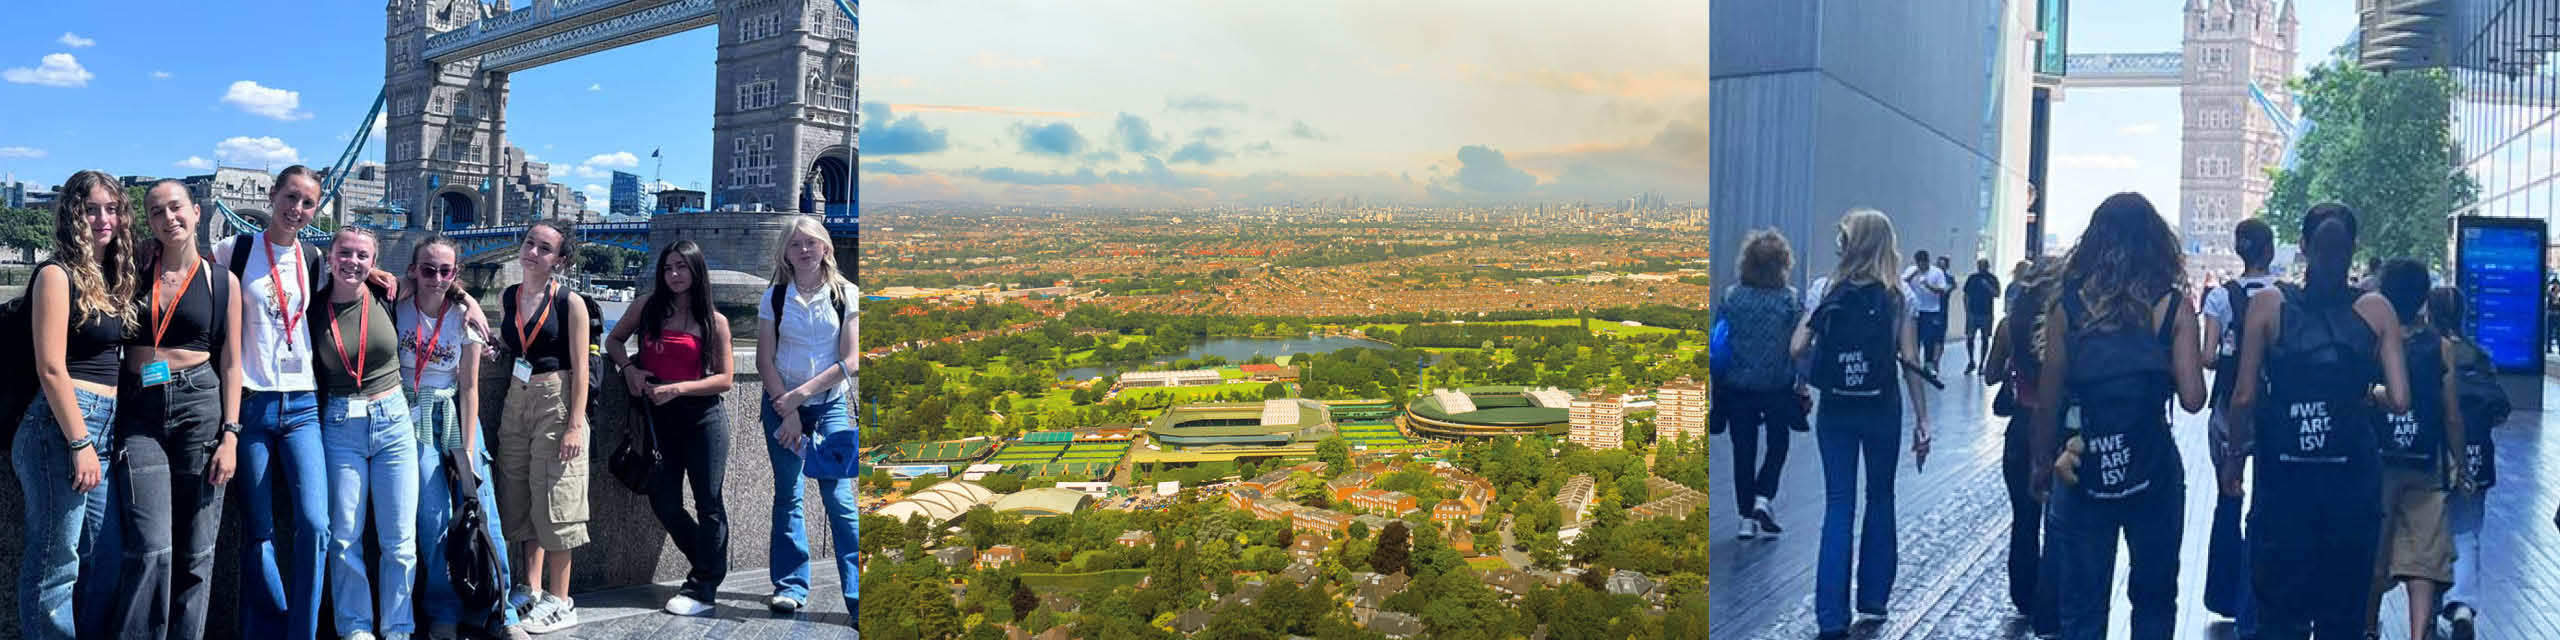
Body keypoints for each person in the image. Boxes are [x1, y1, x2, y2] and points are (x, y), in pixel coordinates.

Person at [2230, 203, 2411, 639]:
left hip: (2283, 482)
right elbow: (2402, 399)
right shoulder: (2376, 309)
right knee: (2343, 615)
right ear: (2354, 249)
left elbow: (2244, 397)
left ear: (2304, 246)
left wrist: (2235, 459)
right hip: (2351, 482)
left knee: (2278, 614)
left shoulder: (2268, 305)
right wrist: (2369, 394)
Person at [2032, 193, 2207, 640]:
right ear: (2156, 244)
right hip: (2153, 469)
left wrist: (2040, 465)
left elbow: (2047, 399)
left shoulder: (2067, 309)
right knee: (2153, 601)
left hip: (2083, 464)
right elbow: (2192, 398)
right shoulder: (2172, 306)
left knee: (2083, 606)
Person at [108, 181, 243, 640]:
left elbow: (231, 361)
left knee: (198, 550)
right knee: (149, 546)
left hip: (199, 405)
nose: (169, 218)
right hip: (140, 410)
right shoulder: (131, 271)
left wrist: (230, 434)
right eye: (157, 212)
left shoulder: (222, 281)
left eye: (176, 208)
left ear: (198, 212)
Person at [1792, 209, 1932, 639]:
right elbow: (1910, 361)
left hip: (1836, 408)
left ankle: (1831, 618)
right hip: (1881, 407)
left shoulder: (1824, 290)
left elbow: (1797, 346)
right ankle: (1873, 599)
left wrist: (1810, 374)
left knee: (1838, 505)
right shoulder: (1899, 295)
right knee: (1880, 497)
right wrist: (1923, 419)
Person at [14, 170, 135, 640]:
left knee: (106, 555)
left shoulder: (111, 275)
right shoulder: (55, 275)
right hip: (60, 428)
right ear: (72, 215)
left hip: (103, 429)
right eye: (91, 209)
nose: (103, 218)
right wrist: (79, 440)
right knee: (55, 562)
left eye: (112, 208)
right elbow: (50, 368)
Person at [398, 234, 532, 640]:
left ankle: (502, 611)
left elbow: (470, 388)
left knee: (482, 510)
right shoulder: (396, 305)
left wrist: (470, 453)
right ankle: (442, 610)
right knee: (431, 517)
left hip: (454, 417)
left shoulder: (464, 318)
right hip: (410, 416)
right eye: (427, 269)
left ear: (455, 273)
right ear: (413, 271)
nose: (436, 278)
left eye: (445, 271)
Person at [606, 241, 737, 617]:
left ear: (697, 272)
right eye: (668, 268)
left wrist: (677, 388)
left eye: (683, 267)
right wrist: (629, 370)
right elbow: (613, 341)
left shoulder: (715, 321)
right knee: (663, 501)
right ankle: (708, 562)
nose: (675, 275)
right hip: (657, 420)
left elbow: (726, 379)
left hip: (703, 419)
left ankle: (702, 586)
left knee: (709, 503)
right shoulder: (647, 308)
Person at [311, 226, 419, 640]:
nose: (352, 262)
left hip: (393, 421)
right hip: (340, 424)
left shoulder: (389, 294)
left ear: (375, 263)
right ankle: (355, 628)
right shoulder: (313, 308)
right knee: (343, 538)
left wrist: (468, 300)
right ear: (331, 255)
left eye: (362, 256)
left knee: (400, 540)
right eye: (345, 253)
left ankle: (398, 628)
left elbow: (440, 283)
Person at [756, 215, 861, 621]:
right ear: (785, 251)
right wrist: (788, 407)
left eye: (811, 243)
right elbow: (765, 359)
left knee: (839, 499)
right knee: (789, 496)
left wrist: (800, 397)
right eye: (795, 244)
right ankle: (790, 586)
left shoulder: (846, 294)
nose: (803, 250)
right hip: (781, 406)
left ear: (825, 248)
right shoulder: (775, 296)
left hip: (828, 404)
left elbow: (849, 361)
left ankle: (856, 595)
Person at [493, 220, 592, 634]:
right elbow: (516, 346)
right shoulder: (509, 295)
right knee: (518, 493)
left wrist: (574, 424)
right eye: (530, 243)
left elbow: (582, 368)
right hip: (516, 398)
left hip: (556, 400)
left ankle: (560, 599)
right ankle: (530, 588)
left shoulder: (571, 303)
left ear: (559, 260)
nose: (533, 252)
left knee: (556, 499)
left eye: (544, 248)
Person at [2369, 259, 2465, 640]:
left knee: (2375, 550)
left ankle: (2366, 627)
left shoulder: (2372, 343)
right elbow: (2452, 415)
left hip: (2379, 460)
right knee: (2425, 557)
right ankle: (2417, 633)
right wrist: (2459, 460)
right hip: (2426, 460)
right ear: (2424, 298)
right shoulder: (2440, 348)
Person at [2200, 219, 2277, 632]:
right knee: (2263, 502)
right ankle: (2253, 601)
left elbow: (2207, 357)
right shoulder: (2281, 296)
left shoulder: (2219, 297)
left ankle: (2222, 590)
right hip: (2269, 409)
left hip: (2227, 407)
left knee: (2227, 494)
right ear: (2269, 251)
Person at [1983, 256, 2060, 636]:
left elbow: (1989, 375)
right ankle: (2053, 598)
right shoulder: (2067, 325)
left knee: (2024, 518)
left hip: (2022, 427)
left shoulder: (2008, 326)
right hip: (2061, 429)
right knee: (2060, 520)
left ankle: (2025, 595)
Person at [1712, 229, 1803, 540]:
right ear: (1783, 264)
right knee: (1779, 444)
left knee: (1743, 452)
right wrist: (1801, 384)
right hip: (1777, 387)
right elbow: (1799, 346)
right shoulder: (1789, 300)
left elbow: (1718, 342)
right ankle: (1764, 496)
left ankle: (1745, 520)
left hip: (1737, 388)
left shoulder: (1731, 297)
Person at [2431, 286, 2496, 640]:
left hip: (2436, 454)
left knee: (2428, 529)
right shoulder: (2480, 356)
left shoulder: (2430, 352)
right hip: (2477, 454)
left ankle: (2427, 607)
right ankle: (2462, 606)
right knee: (2467, 530)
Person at [1902, 250, 1951, 372]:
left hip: (1931, 311)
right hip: (1915, 310)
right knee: (1914, 338)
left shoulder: (1937, 272)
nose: (1921, 266)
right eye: (1919, 264)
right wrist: (1912, 276)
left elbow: (1942, 290)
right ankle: (1914, 364)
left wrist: (1928, 285)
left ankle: (1928, 364)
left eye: (1923, 264)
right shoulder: (1911, 270)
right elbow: (1902, 284)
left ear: (1927, 262)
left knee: (1929, 338)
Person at [1963, 258, 2000, 375]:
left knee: (1985, 338)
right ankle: (1971, 361)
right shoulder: (1972, 278)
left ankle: (1982, 363)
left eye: (1983, 265)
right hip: (1973, 313)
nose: (1981, 268)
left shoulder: (1992, 279)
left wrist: (1987, 286)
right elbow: (1967, 294)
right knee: (1970, 338)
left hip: (1986, 313)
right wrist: (1967, 311)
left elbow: (1997, 294)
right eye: (1979, 265)